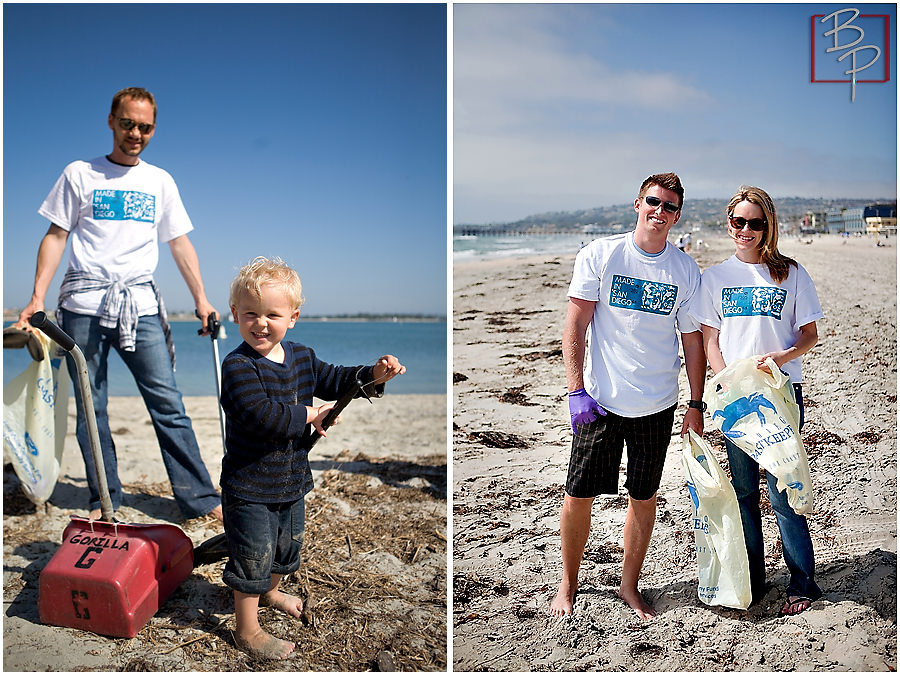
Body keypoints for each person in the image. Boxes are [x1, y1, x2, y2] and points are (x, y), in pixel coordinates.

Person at [15, 87, 223, 522]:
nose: (136, 134)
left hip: (140, 306)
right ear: (111, 120)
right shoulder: (79, 173)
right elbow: (56, 237)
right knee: (93, 408)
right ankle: (104, 500)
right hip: (82, 306)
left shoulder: (159, 181)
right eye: (128, 123)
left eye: (145, 127)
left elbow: (180, 243)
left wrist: (201, 299)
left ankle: (200, 500)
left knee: (168, 403)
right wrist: (36, 298)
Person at [219, 256, 405, 659]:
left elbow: (337, 379)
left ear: (293, 317)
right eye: (250, 313)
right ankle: (247, 630)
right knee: (253, 555)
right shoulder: (237, 366)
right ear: (235, 314)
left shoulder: (301, 357)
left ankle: (271, 593)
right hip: (248, 485)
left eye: (272, 314)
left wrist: (373, 373)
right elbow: (262, 416)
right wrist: (309, 413)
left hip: (290, 479)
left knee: (284, 547)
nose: (261, 323)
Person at [550, 172, 706, 620]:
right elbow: (576, 324)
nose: (660, 212)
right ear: (637, 204)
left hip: (657, 405)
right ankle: (568, 585)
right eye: (654, 202)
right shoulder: (601, 254)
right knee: (579, 494)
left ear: (678, 216)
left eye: (670, 207)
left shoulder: (684, 270)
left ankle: (629, 586)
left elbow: (692, 341)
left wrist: (695, 403)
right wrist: (576, 390)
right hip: (599, 402)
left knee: (643, 497)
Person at [692, 185, 823, 616]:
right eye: (738, 222)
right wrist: (726, 381)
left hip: (780, 394)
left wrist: (778, 359)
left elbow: (809, 335)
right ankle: (755, 578)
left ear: (768, 226)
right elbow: (710, 341)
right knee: (744, 492)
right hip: (736, 398)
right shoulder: (714, 278)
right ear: (729, 224)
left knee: (784, 490)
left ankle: (802, 583)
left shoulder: (790, 273)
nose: (745, 230)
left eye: (755, 222)